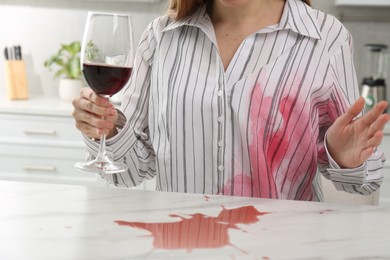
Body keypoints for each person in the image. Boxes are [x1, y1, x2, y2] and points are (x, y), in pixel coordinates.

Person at [72, 0, 390, 201]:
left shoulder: (325, 39)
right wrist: (105, 130)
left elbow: (368, 181)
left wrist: (346, 157)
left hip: (285, 247)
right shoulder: (161, 37)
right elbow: (130, 172)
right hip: (180, 242)